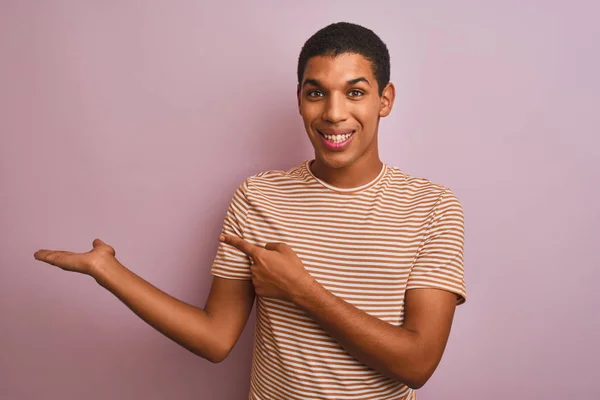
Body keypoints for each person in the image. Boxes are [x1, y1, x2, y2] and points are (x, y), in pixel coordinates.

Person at [34, 22, 466, 400]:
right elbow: (215, 337)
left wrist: (302, 290)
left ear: (384, 100)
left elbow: (417, 364)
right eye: (317, 93)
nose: (334, 114)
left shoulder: (433, 208)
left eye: (355, 92)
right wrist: (107, 270)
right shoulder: (259, 197)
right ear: (300, 99)